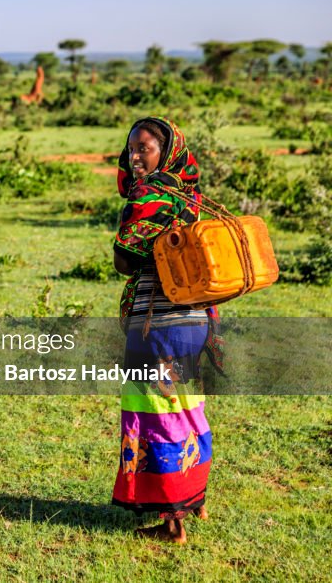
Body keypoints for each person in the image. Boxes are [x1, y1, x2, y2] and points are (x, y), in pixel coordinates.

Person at [112, 116, 216, 544]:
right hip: (195, 320)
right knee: (189, 409)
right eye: (132, 149)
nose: (135, 158)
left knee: (157, 413)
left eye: (145, 149)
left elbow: (123, 258)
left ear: (166, 151)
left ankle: (173, 522)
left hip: (158, 320)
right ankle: (196, 499)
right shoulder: (192, 197)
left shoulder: (150, 195)